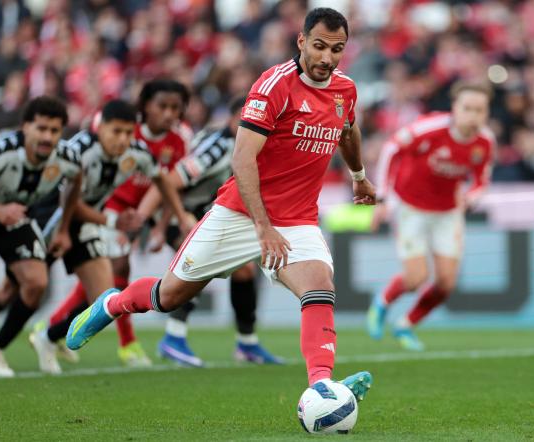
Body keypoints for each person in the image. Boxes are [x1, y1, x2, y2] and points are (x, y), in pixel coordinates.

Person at [67, 8, 375, 402]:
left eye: (337, 49)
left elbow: (348, 129)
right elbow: (242, 159)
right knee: (169, 296)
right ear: (301, 42)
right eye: (318, 46)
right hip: (240, 214)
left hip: (297, 220)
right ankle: (113, 303)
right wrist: (263, 228)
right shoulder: (273, 86)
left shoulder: (345, 90)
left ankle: (321, 385)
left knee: (319, 287)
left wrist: (359, 175)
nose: (327, 58)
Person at [23, 98, 195, 374]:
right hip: (74, 214)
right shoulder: (85, 148)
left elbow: (163, 180)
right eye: (117, 132)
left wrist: (173, 217)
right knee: (32, 283)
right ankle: (123, 343)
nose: (123, 138)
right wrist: (111, 220)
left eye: (176, 108)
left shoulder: (165, 143)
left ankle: (49, 333)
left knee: (104, 291)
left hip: (106, 217)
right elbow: (70, 195)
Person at [140, 96, 283, 366]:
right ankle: (173, 337)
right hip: (176, 212)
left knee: (244, 271)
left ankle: (247, 343)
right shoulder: (217, 148)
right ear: (233, 119)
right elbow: (171, 180)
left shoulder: (252, 145)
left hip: (199, 213)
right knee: (197, 265)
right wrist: (165, 222)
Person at [0, 96, 82, 377]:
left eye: (54, 130)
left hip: (13, 220)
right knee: (8, 289)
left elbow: (75, 183)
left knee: (36, 283)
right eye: (41, 128)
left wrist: (62, 229)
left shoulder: (67, 157)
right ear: (25, 127)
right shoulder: (1, 150)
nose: (47, 137)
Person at [367, 81, 495, 351]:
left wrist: (472, 197)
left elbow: (481, 181)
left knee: (446, 283)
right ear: (454, 109)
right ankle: (382, 302)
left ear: (486, 113)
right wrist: (383, 198)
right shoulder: (429, 129)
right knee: (415, 278)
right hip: (410, 207)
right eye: (468, 108)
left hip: (447, 212)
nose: (473, 115)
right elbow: (391, 149)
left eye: (479, 110)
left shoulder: (484, 142)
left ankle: (406, 324)